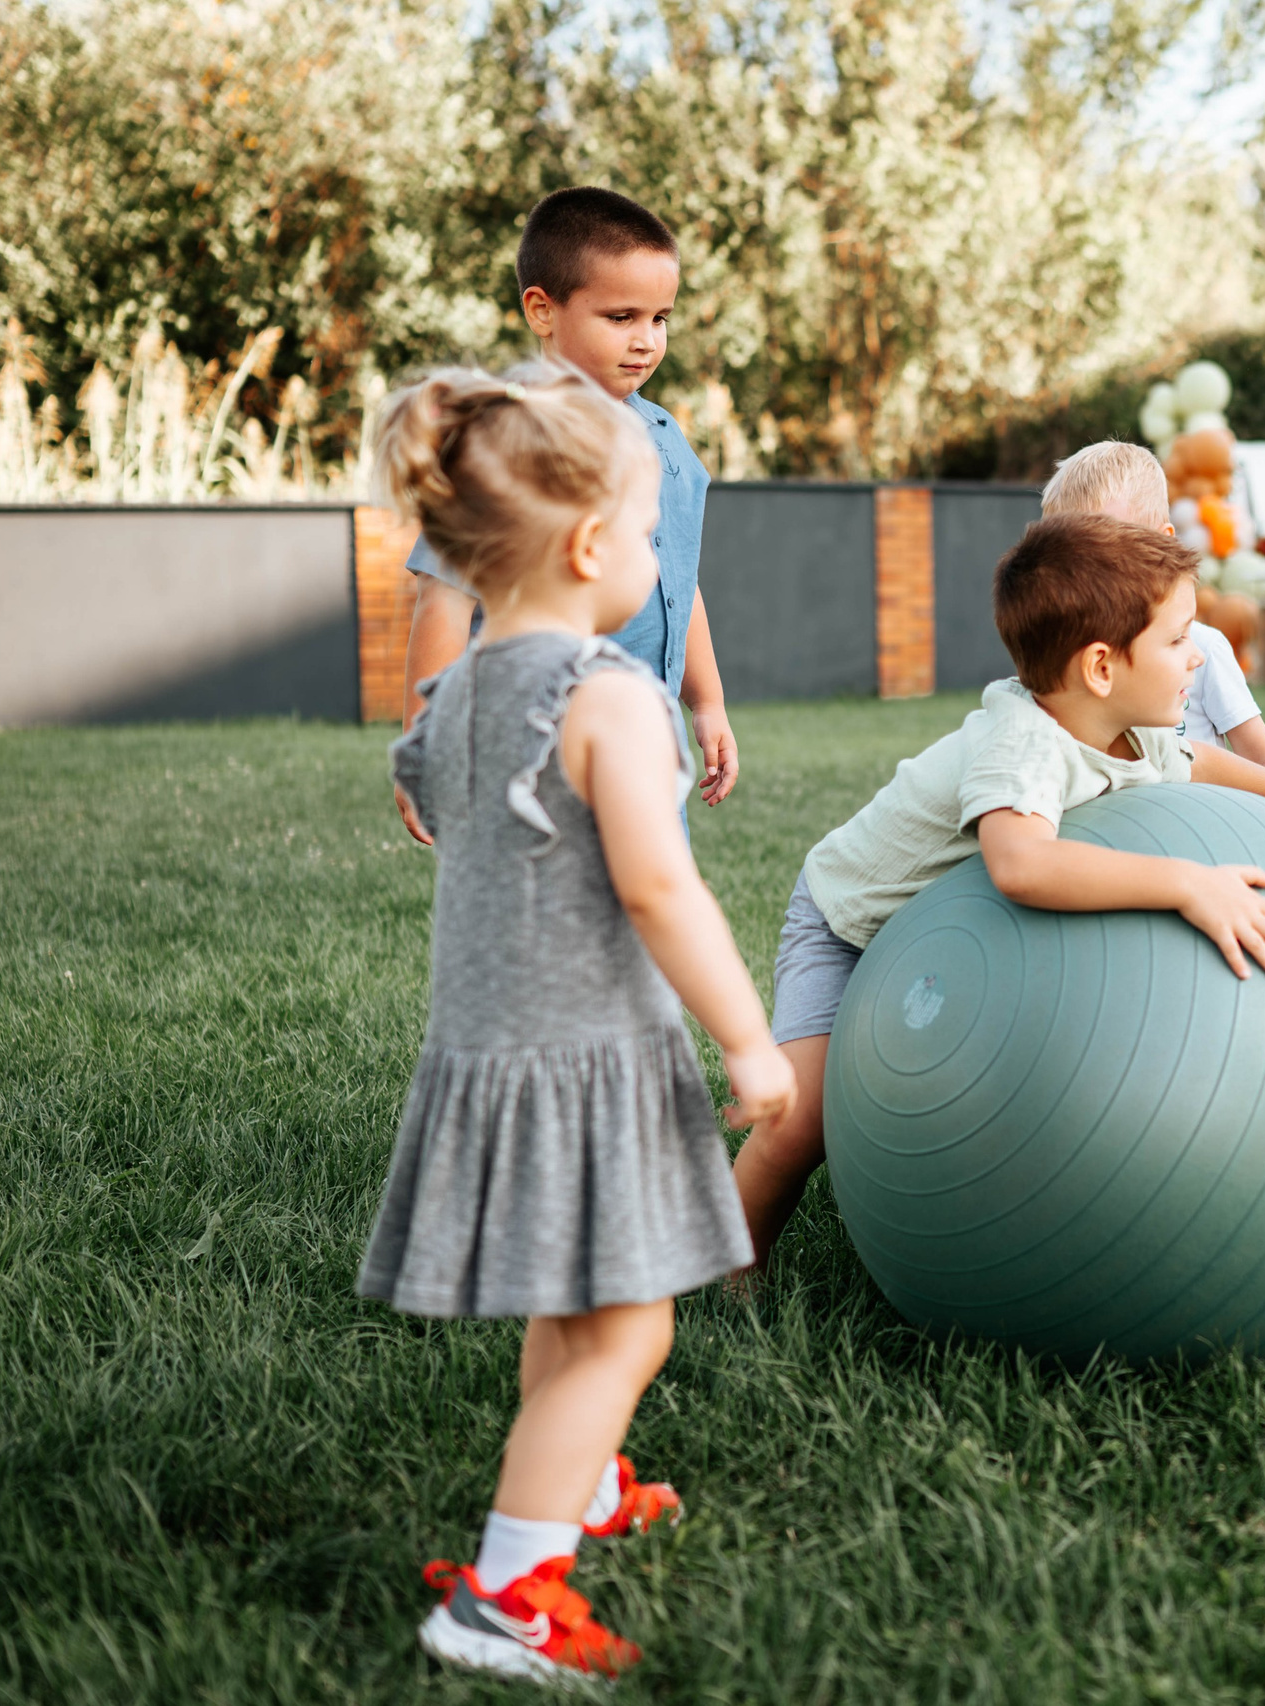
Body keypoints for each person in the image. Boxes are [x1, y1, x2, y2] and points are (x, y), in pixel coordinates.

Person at [360, 365, 796, 1683]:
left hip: (490, 1052)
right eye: (655, 532)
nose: (660, 561)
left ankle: (585, 1480)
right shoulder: (606, 694)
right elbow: (659, 886)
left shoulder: (459, 695)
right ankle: (502, 1590)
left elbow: (427, 787)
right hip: (584, 1052)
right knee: (630, 1326)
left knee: (579, 1298)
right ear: (596, 546)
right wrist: (750, 1039)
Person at [729, 516, 1265, 1267]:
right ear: (1102, 668)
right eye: (1180, 641)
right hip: (847, 923)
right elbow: (1022, 868)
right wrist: (1185, 883)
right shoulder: (1023, 746)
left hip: (940, 934)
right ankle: (730, 1265)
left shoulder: (1129, 724)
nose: (1198, 659)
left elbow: (1198, 762)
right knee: (804, 1119)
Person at [395, 187, 739, 843]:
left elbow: (679, 580)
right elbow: (444, 603)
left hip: (644, 744)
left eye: (660, 318)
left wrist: (708, 702)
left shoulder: (668, 443)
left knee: (647, 921)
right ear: (542, 311)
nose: (646, 340)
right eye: (621, 317)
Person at [1038, 441, 1265, 772]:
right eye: (1076, 558)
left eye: (1111, 553)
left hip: (1195, 820)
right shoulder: (1072, 659)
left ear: (1163, 544)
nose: (1095, 575)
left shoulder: (1202, 651)